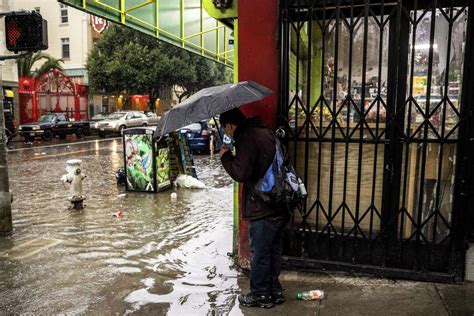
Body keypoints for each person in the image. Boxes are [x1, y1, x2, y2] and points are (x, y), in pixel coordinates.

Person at [219, 108, 287, 309]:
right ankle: (274, 291)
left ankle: (260, 295)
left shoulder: (246, 136)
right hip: (279, 201)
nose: (227, 133)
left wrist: (225, 156)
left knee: (260, 253)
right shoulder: (264, 131)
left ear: (230, 125)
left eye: (226, 129)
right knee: (273, 250)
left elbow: (240, 172)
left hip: (262, 204)